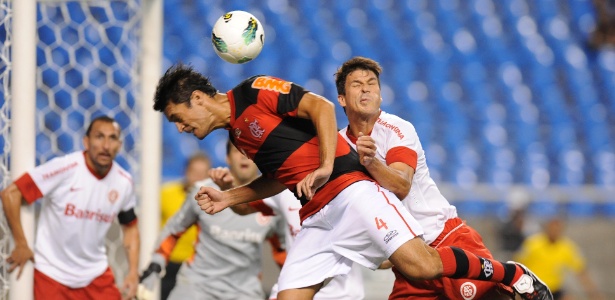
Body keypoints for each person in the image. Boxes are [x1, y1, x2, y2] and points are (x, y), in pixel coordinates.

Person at [152, 63, 552, 300]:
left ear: (198, 99)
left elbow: (320, 106)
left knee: (422, 267)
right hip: (318, 218)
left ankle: (509, 273)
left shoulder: (253, 91)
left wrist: (326, 164)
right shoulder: (238, 133)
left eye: (177, 117)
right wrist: (229, 197)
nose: (182, 128)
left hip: (351, 193)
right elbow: (280, 176)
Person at [335, 56, 515, 300]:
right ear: (342, 99)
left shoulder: (397, 129)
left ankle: (516, 276)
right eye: (356, 84)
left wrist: (371, 162)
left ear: (380, 95)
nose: (366, 88)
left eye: (372, 83)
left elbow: (401, 185)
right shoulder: (338, 146)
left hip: (446, 242)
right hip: (411, 260)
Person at [0, 116, 140, 300]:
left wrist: (132, 272)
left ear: (119, 145)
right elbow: (11, 194)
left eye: (112, 138)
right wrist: (21, 244)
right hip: (52, 274)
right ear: (86, 142)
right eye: (99, 137)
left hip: (95, 275)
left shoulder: (124, 182)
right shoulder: (66, 168)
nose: (106, 145)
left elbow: (130, 227)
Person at [138, 141, 284, 300]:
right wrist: (156, 263)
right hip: (197, 286)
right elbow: (174, 230)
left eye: (250, 151)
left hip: (244, 292)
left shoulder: (275, 200)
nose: (244, 157)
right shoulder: (204, 192)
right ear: (228, 158)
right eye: (238, 151)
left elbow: (283, 250)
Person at [221, 179, 365, 300]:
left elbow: (379, 249)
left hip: (341, 295)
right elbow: (245, 208)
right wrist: (226, 191)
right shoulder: (283, 186)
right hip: (291, 287)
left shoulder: (349, 187)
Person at [514, 216, 605, 300]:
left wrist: (594, 293)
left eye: (557, 229)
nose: (554, 232)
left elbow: (581, 272)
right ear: (547, 229)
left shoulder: (567, 247)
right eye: (552, 229)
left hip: (554, 288)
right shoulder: (533, 244)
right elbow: (517, 265)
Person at [159, 152, 210, 300]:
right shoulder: (165, 194)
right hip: (169, 263)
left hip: (198, 265)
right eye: (195, 172)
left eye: (203, 174)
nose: (198, 178)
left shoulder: (215, 202)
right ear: (186, 172)